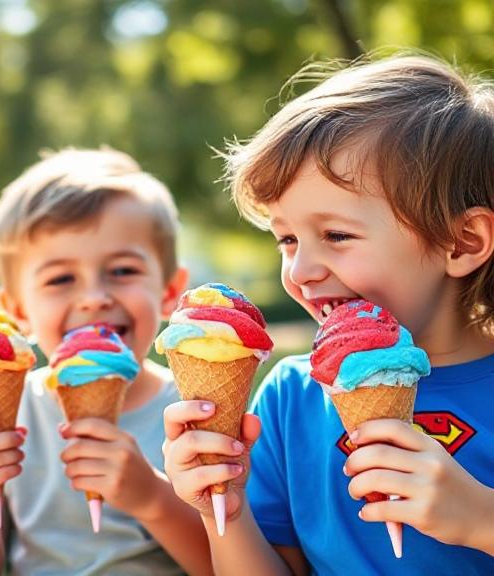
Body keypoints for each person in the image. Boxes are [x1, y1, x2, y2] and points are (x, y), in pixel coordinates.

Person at [162, 53, 494, 575]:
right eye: (287, 239)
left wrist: (481, 520)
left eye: (336, 235)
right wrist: (221, 506)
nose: (300, 269)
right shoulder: (288, 399)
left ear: (462, 241)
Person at [0, 147, 212, 576]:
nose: (93, 298)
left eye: (121, 271)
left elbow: (232, 565)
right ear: (18, 310)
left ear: (170, 291)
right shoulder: (7, 410)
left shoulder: (195, 410)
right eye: (61, 279)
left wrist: (153, 500)